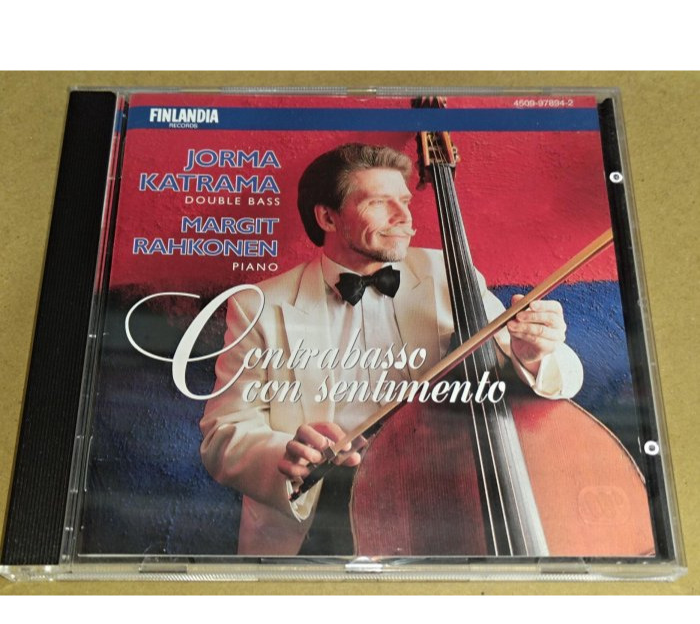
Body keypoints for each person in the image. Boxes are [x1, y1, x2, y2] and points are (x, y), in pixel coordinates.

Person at [199, 143, 583, 556]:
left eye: (405, 201)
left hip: (444, 498)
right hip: (320, 517)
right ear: (327, 217)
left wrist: (534, 353)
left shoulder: (448, 274)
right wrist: (286, 457)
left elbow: (553, 373)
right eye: (380, 203)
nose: (404, 219)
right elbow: (223, 434)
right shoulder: (259, 306)